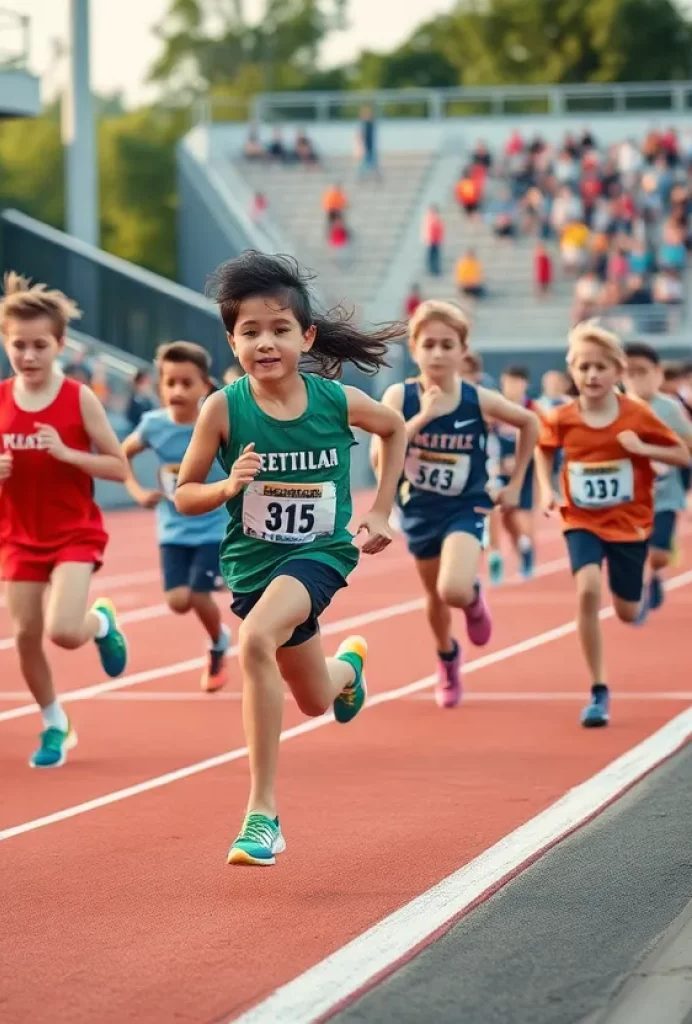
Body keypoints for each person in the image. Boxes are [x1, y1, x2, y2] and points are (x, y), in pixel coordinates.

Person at [175, 251, 407, 867]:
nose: (265, 343)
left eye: (279, 329)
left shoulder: (335, 401)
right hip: (252, 567)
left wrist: (382, 508)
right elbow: (185, 492)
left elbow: (395, 428)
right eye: (250, 332)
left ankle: (262, 815)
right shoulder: (222, 409)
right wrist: (227, 488)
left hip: (320, 556)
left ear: (306, 336)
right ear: (231, 340)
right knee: (314, 699)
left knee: (253, 642)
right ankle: (349, 670)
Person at [0, 273, 130, 769]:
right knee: (23, 635)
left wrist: (67, 454)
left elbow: (118, 466)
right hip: (17, 533)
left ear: (60, 344)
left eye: (41, 345)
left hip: (72, 531)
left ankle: (99, 622)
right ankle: (54, 721)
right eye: (19, 345)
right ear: (5, 343)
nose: (30, 356)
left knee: (62, 630)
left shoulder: (78, 397)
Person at [374, 301, 539, 709]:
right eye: (429, 344)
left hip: (467, 506)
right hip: (418, 510)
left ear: (463, 351)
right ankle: (447, 657)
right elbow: (379, 460)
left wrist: (515, 484)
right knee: (434, 596)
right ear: (414, 349)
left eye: (448, 344)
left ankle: (471, 597)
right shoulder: (401, 396)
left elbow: (530, 423)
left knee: (452, 589)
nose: (438, 353)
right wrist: (423, 419)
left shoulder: (478, 399)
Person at [535, 322, 690, 729]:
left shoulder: (637, 414)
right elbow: (543, 448)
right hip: (581, 519)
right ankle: (598, 690)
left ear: (618, 371)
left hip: (629, 524)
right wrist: (547, 489)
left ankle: (641, 589)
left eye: (601, 367)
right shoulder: (563, 417)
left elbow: (683, 456)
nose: (592, 375)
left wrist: (643, 449)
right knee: (587, 588)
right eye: (584, 367)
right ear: (572, 370)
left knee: (626, 611)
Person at [122, 342, 231, 692]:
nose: (178, 391)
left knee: (199, 595)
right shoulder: (153, 425)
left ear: (205, 386)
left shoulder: (216, 420)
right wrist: (137, 491)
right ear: (160, 385)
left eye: (187, 383)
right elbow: (120, 454)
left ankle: (217, 644)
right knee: (178, 602)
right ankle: (221, 607)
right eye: (170, 383)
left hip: (214, 525)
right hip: (173, 528)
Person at [623, 343, 692, 611]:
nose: (636, 378)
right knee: (631, 552)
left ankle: (655, 575)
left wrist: (657, 450)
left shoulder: (669, 408)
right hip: (625, 497)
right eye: (629, 372)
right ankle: (636, 593)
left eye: (642, 371)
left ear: (657, 373)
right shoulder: (612, 407)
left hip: (664, 494)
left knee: (659, 554)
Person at [486, 365, 538, 584]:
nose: (513, 387)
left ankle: (525, 546)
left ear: (525, 385)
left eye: (517, 383)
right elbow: (484, 435)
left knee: (517, 516)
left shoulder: (534, 409)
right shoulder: (496, 408)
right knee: (495, 510)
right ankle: (495, 554)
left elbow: (544, 442)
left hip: (525, 470)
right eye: (509, 382)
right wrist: (496, 463)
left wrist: (520, 461)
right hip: (497, 470)